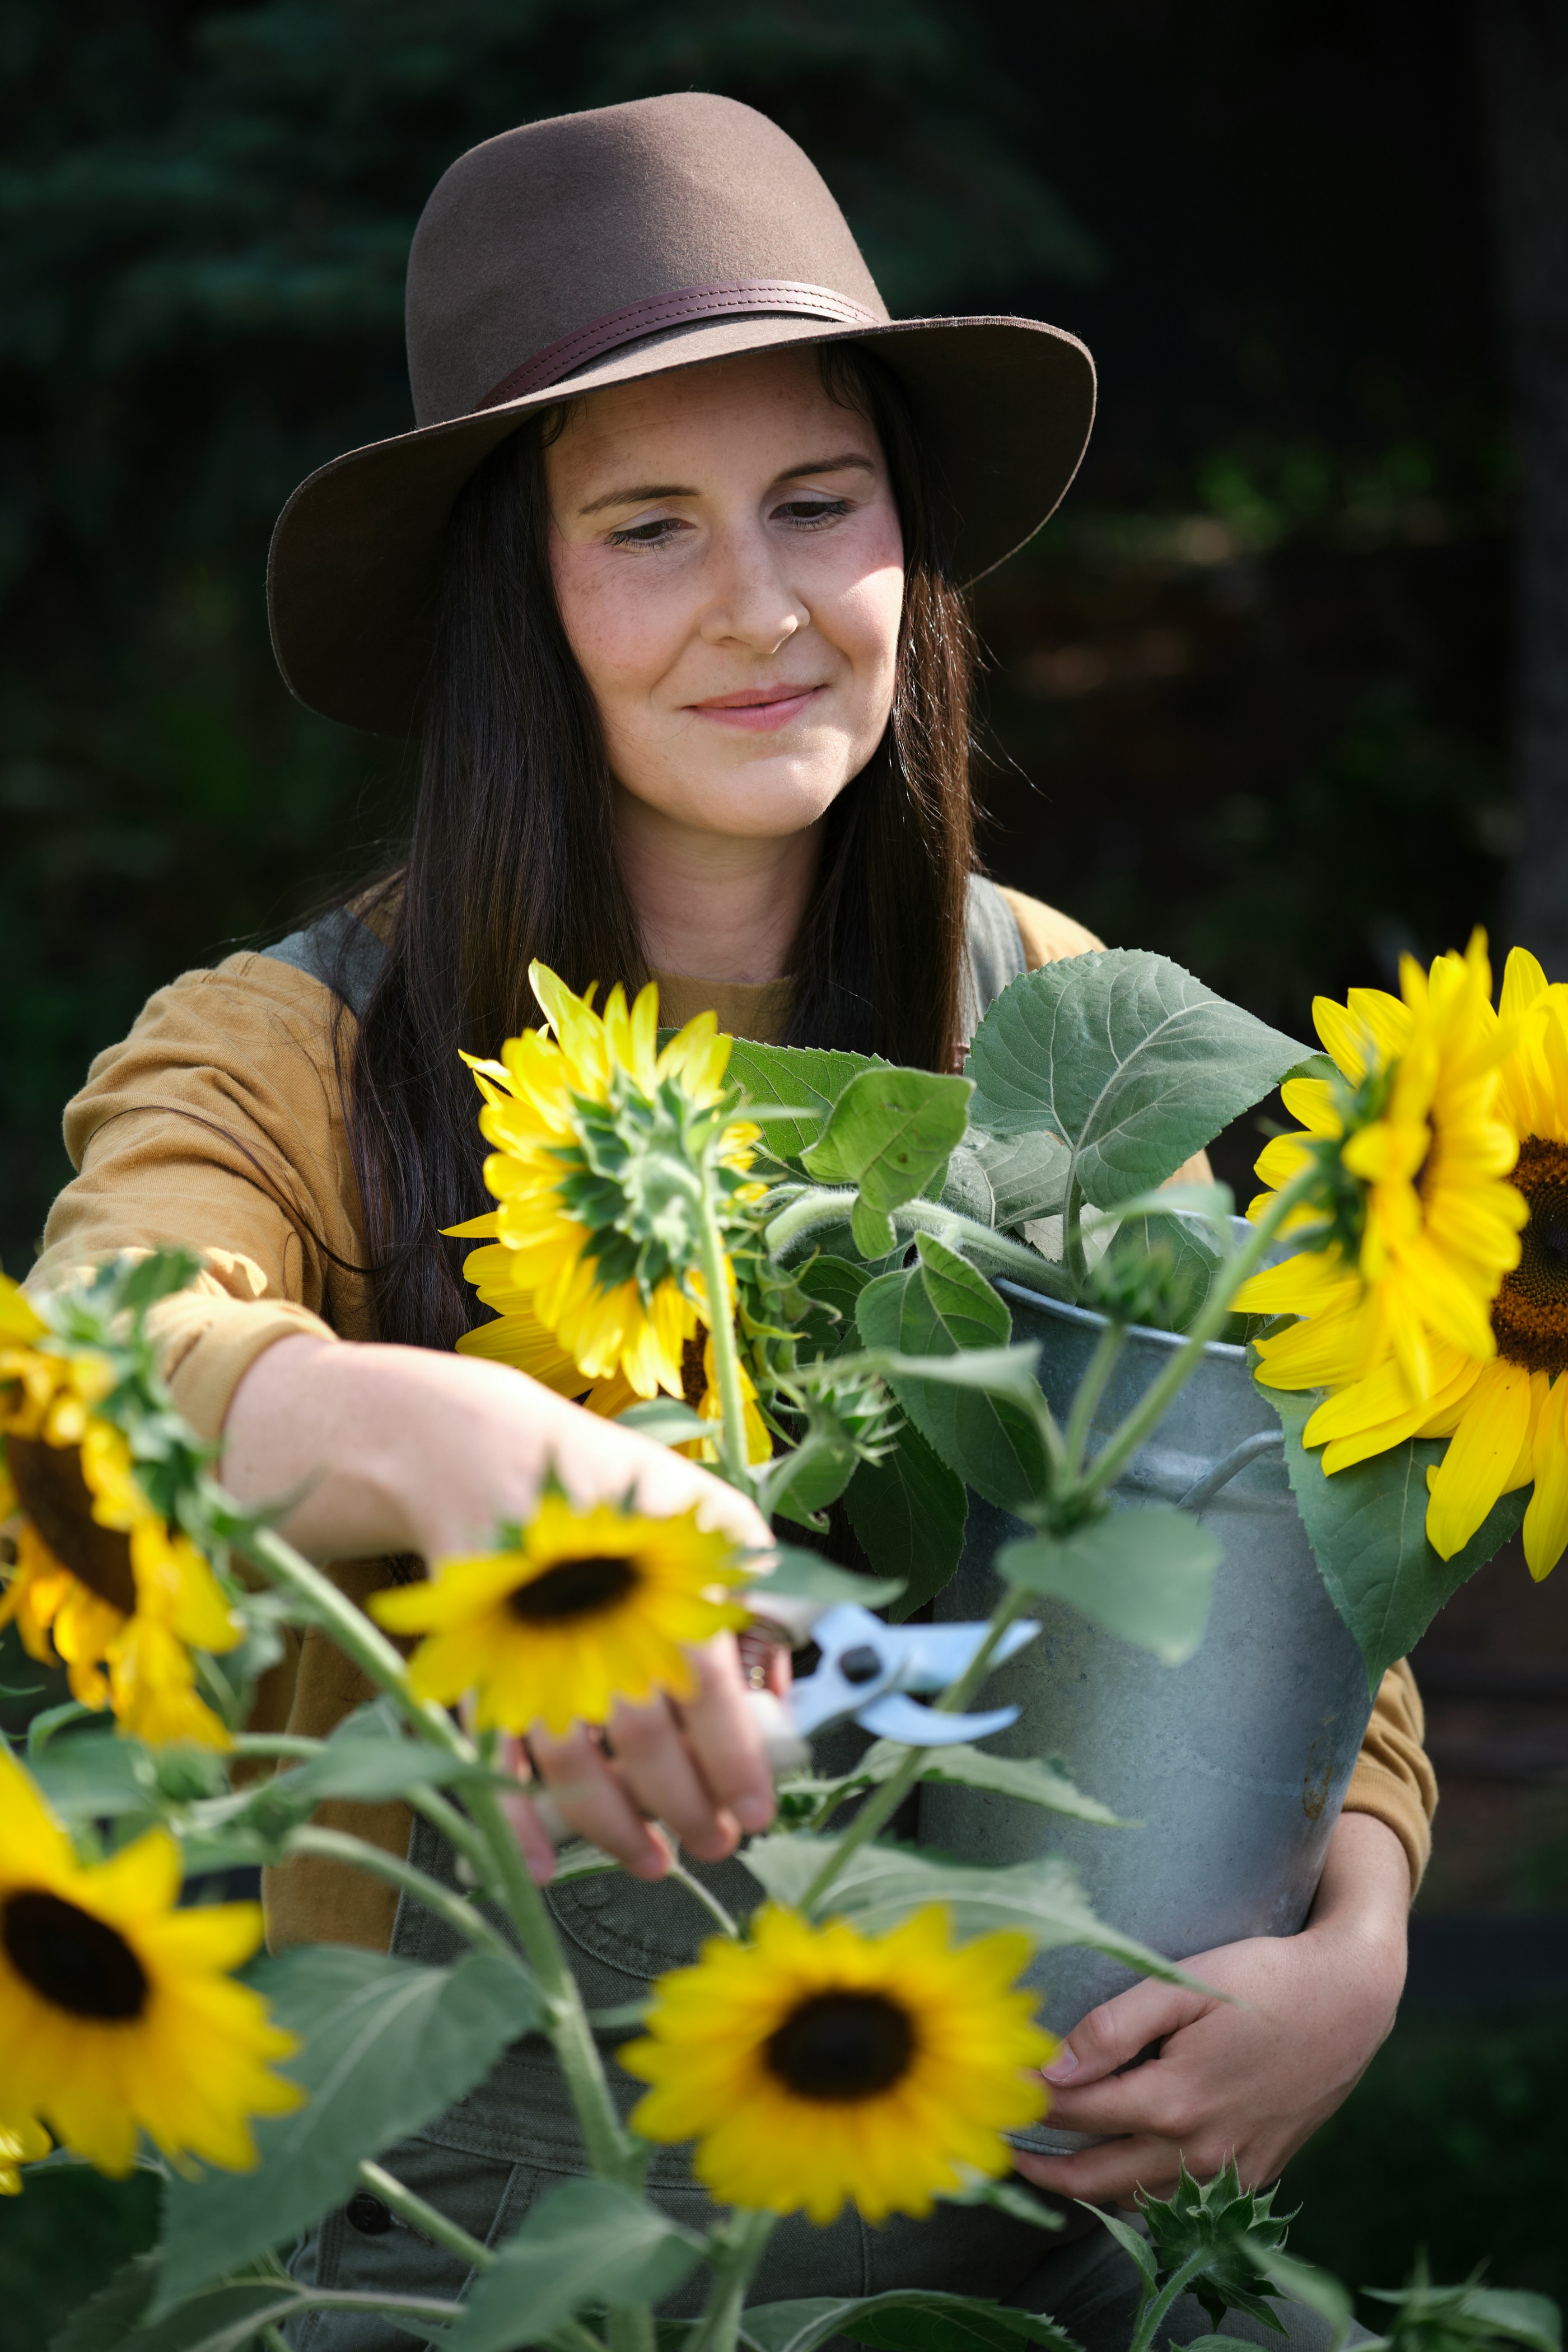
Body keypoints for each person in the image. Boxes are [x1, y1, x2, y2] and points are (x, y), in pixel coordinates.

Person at [34, 94, 1429, 2349]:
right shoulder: (300, 1054)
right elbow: (89, 1363)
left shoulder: (1057, 1025)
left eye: (819, 504)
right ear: (521, 593)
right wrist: (454, 1446)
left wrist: (1353, 1935)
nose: (764, 609)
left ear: (910, 544)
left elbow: (1294, 1550)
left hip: (1007, 2245)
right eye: (649, 531)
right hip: (481, 2258)